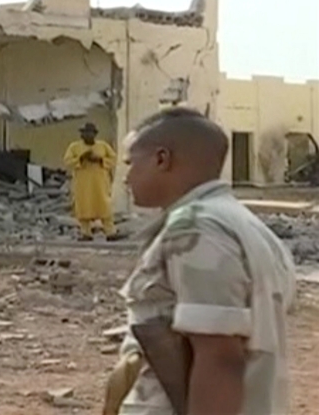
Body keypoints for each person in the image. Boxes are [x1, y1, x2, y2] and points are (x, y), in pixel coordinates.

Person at [103, 107, 295, 415]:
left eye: (131, 163)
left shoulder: (195, 228)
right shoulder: (243, 223)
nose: (126, 177)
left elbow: (219, 358)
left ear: (161, 159)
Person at [63, 122, 117, 240]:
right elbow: (67, 161)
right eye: (85, 133)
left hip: (100, 182)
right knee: (83, 206)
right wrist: (81, 158)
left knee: (104, 206)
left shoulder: (103, 146)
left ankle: (110, 232)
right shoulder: (74, 147)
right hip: (83, 183)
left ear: (95, 134)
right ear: (81, 135)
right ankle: (86, 233)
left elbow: (113, 159)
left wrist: (100, 159)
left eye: (90, 133)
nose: (87, 135)